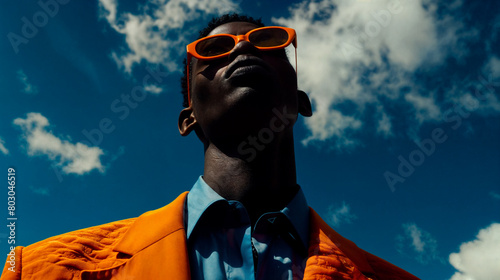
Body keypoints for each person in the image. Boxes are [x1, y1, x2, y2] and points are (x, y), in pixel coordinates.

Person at [1, 13, 419, 280]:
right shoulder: (39, 271)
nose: (243, 46)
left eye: (268, 41)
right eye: (214, 50)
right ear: (188, 118)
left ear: (301, 102)